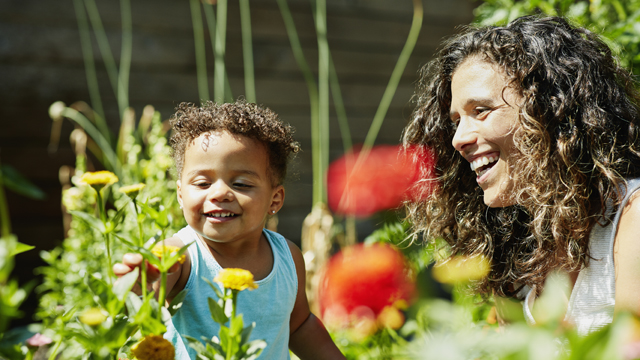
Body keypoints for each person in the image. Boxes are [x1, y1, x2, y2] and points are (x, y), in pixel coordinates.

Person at [402, 15, 640, 335]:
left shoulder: (632, 219)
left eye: (480, 111)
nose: (458, 139)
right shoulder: (515, 247)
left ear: (549, 108)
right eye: (456, 120)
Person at [114, 100, 345, 359]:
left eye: (242, 184)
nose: (220, 193)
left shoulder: (287, 257)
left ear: (275, 199)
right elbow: (145, 307)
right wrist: (138, 288)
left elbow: (299, 325)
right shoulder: (180, 255)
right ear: (180, 194)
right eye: (202, 183)